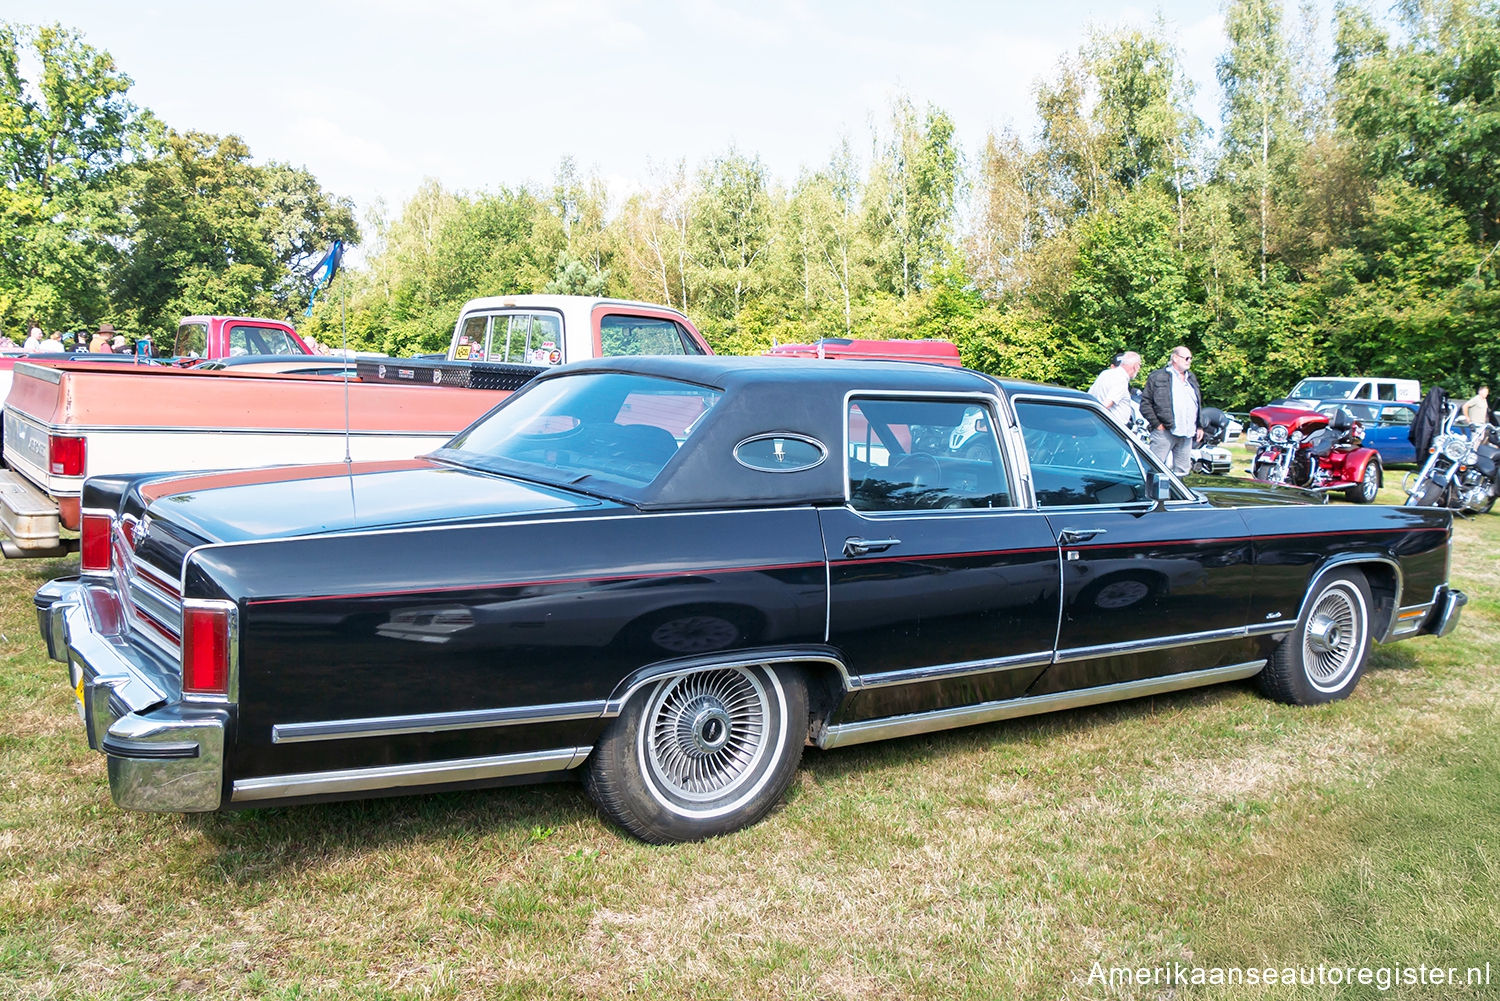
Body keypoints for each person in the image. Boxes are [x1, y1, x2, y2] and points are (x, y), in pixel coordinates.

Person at [1139, 345, 1203, 475]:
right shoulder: (1158, 376)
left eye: (1190, 358)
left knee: (1183, 472)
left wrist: (1199, 426)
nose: (1189, 361)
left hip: (1187, 433)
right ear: (1174, 358)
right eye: (1186, 358)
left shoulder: (1191, 378)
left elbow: (1197, 403)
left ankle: (1178, 495)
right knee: (1154, 469)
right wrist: (1157, 425)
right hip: (1165, 431)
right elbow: (1145, 404)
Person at [1086, 351, 1142, 426]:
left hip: (1097, 422)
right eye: (1139, 366)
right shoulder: (1121, 380)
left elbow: (1089, 396)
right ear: (1135, 366)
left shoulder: (1105, 373)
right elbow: (1107, 404)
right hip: (1111, 426)